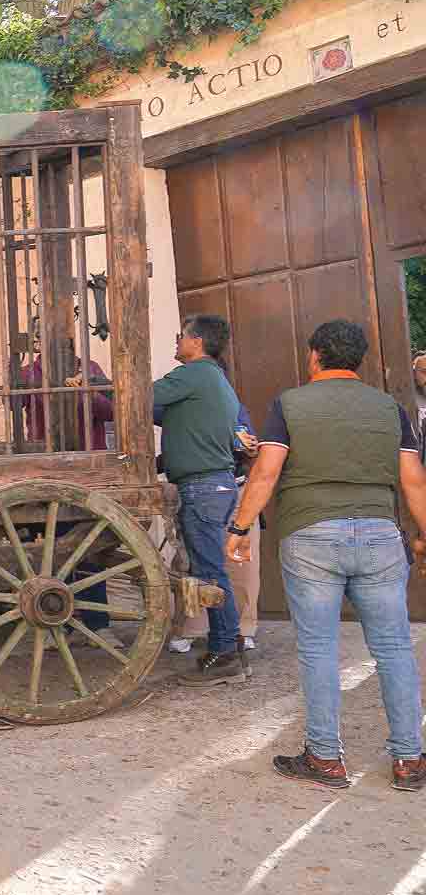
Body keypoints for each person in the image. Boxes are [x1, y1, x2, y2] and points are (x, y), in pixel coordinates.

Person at [225, 320, 426, 792]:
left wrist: (239, 527)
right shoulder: (389, 409)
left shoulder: (289, 405)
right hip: (379, 534)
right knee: (394, 648)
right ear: (360, 360)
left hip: (310, 534)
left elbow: (266, 472)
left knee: (319, 648)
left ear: (314, 355)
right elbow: (413, 479)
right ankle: (409, 760)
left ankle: (326, 758)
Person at [153, 314, 245, 686]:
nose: (177, 342)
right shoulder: (212, 378)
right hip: (214, 485)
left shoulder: (194, 374)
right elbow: (163, 412)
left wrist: (95, 388)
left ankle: (225, 654)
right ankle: (229, 644)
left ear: (197, 341)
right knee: (212, 569)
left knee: (209, 572)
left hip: (202, 488)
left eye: (181, 336)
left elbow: (138, 396)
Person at [171, 389, 262, 654]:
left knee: (239, 565)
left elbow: (246, 442)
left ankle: (243, 629)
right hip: (198, 487)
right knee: (193, 562)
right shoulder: (182, 410)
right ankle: (191, 627)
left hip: (234, 486)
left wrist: (245, 443)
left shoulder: (233, 407)